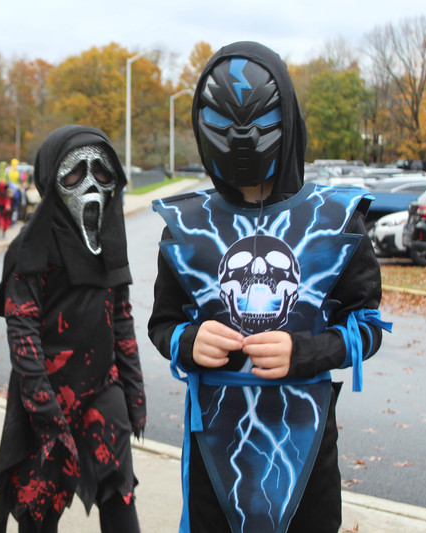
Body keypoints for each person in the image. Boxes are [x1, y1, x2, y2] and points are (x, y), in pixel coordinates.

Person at [148, 41, 392, 533]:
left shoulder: (335, 221)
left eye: (257, 123)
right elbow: (164, 326)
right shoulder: (185, 225)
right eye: (225, 125)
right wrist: (190, 342)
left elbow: (367, 328)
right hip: (215, 438)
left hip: (303, 436)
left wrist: (304, 351)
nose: (242, 139)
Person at [0, 125, 146, 533]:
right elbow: (22, 332)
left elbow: (121, 317)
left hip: (102, 387)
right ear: (52, 178)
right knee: (39, 509)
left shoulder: (108, 241)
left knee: (119, 492)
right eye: (76, 173)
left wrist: (133, 390)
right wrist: (43, 409)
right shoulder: (30, 248)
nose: (92, 185)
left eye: (102, 172)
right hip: (45, 393)